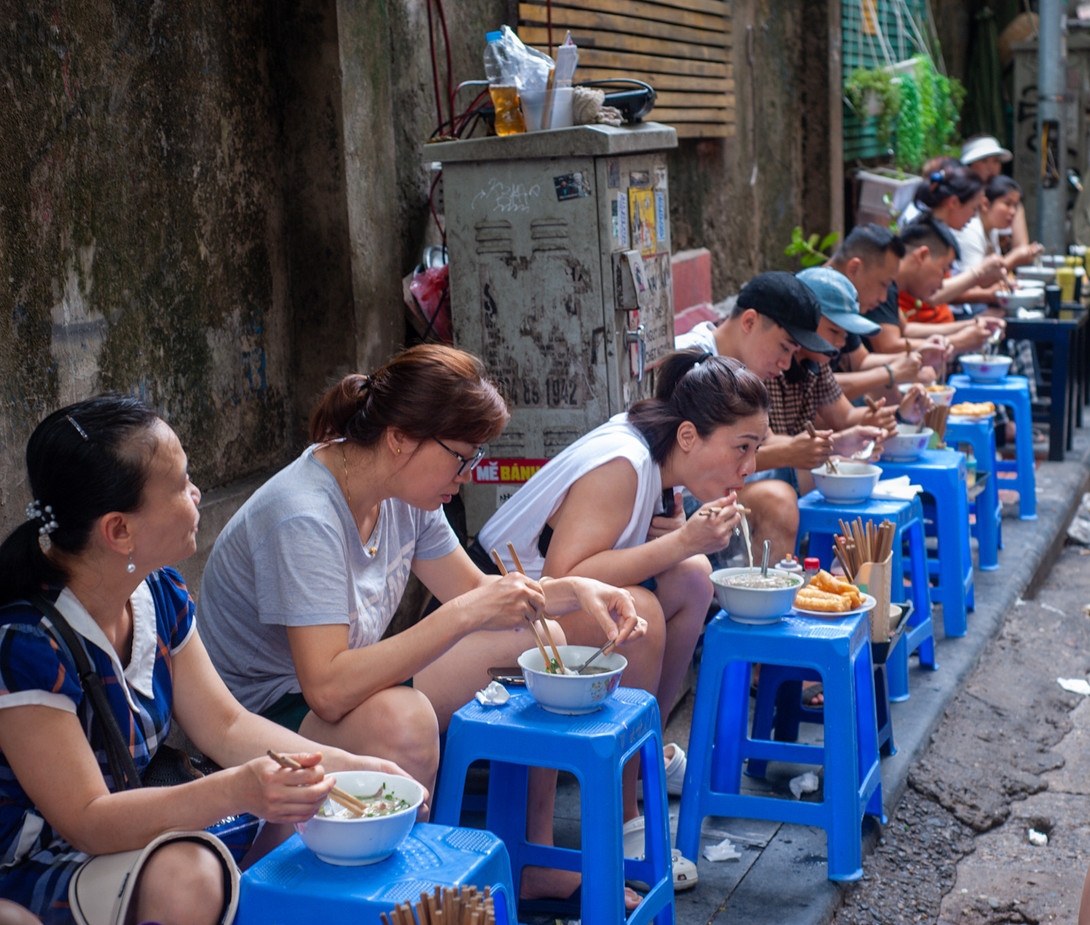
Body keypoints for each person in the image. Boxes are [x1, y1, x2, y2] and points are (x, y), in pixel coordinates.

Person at [198, 344, 644, 911]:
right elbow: (328, 689)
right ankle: (356, 896)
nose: (467, 475)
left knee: (547, 633)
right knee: (404, 723)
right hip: (264, 715)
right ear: (400, 437)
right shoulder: (304, 515)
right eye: (461, 456)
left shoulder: (404, 493)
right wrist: (463, 617)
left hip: (331, 690)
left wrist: (576, 591)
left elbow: (477, 592)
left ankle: (531, 852)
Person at [0, 394, 414, 925]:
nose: (196, 493)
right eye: (180, 484)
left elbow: (226, 724)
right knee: (190, 874)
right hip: (43, 861)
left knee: (305, 807)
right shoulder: (28, 644)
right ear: (118, 530)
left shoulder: (161, 593)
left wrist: (348, 768)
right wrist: (238, 789)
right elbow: (87, 820)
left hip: (133, 828)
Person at [475, 349, 769, 875]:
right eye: (741, 448)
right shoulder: (625, 462)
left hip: (547, 600)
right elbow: (566, 573)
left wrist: (683, 542)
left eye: (756, 450)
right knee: (645, 611)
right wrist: (682, 539)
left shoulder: (660, 465)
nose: (748, 469)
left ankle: (640, 757)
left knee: (695, 577)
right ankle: (626, 806)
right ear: (687, 437)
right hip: (501, 603)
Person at [676, 271, 838, 563]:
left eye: (793, 353)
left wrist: (837, 444)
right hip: (679, 504)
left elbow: (766, 440)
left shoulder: (743, 368)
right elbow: (697, 465)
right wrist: (787, 453)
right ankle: (763, 603)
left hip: (713, 488)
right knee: (777, 500)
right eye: (784, 347)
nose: (786, 364)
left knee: (826, 467)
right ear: (749, 321)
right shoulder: (695, 363)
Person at [960, 134, 1034, 254]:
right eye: (984, 161)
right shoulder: (958, 199)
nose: (991, 167)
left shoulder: (1011, 199)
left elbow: (1021, 246)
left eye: (996, 161)